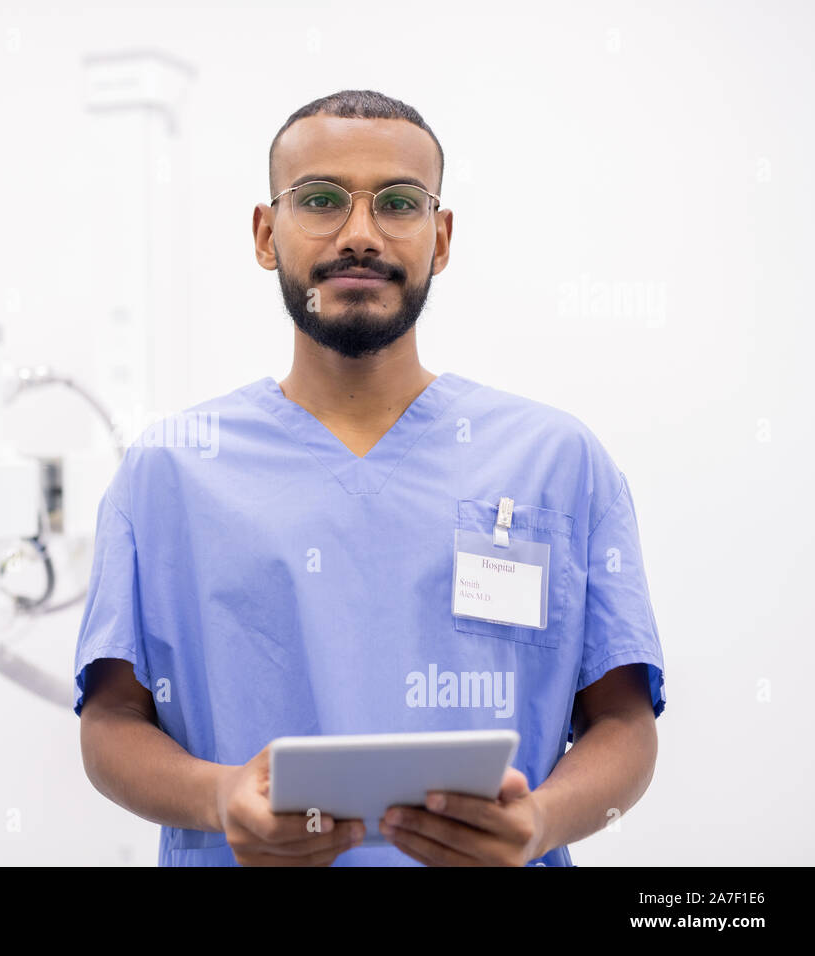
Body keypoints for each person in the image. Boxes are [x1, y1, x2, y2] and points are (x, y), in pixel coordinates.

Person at [73, 89, 665, 866]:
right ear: (264, 232)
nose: (360, 234)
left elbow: (623, 724)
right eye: (320, 200)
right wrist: (220, 797)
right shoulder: (172, 471)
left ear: (440, 237)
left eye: (399, 203)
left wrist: (542, 822)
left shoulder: (557, 461)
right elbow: (110, 723)